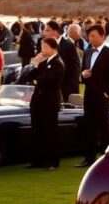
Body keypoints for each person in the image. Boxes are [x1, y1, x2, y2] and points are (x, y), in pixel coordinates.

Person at [76, 25, 109, 167]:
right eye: (89, 36)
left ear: (103, 36)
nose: (90, 39)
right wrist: (82, 75)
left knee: (104, 127)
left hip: (102, 96)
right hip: (89, 95)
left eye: (93, 36)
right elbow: (83, 72)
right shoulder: (88, 52)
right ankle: (89, 158)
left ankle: (107, 159)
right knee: (88, 126)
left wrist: (107, 93)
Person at [19, 37, 64, 169]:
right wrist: (35, 65)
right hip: (38, 101)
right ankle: (37, 160)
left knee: (50, 131)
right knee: (37, 130)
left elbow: (46, 79)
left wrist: (37, 73)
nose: (42, 50)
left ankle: (52, 161)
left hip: (49, 102)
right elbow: (29, 76)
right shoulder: (44, 63)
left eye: (45, 47)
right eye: (42, 47)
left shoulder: (58, 63)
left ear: (53, 48)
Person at [45, 21, 81, 100]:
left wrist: (69, 86)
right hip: (50, 88)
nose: (45, 33)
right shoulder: (45, 45)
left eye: (47, 30)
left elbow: (76, 67)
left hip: (66, 87)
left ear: (55, 31)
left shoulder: (68, 45)